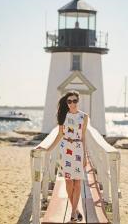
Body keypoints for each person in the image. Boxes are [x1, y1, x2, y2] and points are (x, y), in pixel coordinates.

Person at [37, 90, 88, 222]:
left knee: (78, 183)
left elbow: (83, 137)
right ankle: (76, 209)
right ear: (67, 103)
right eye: (69, 101)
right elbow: (60, 135)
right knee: (69, 182)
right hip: (65, 150)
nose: (72, 104)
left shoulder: (84, 117)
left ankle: (73, 212)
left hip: (78, 150)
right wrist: (48, 148)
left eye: (74, 101)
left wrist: (85, 156)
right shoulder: (63, 116)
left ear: (78, 101)